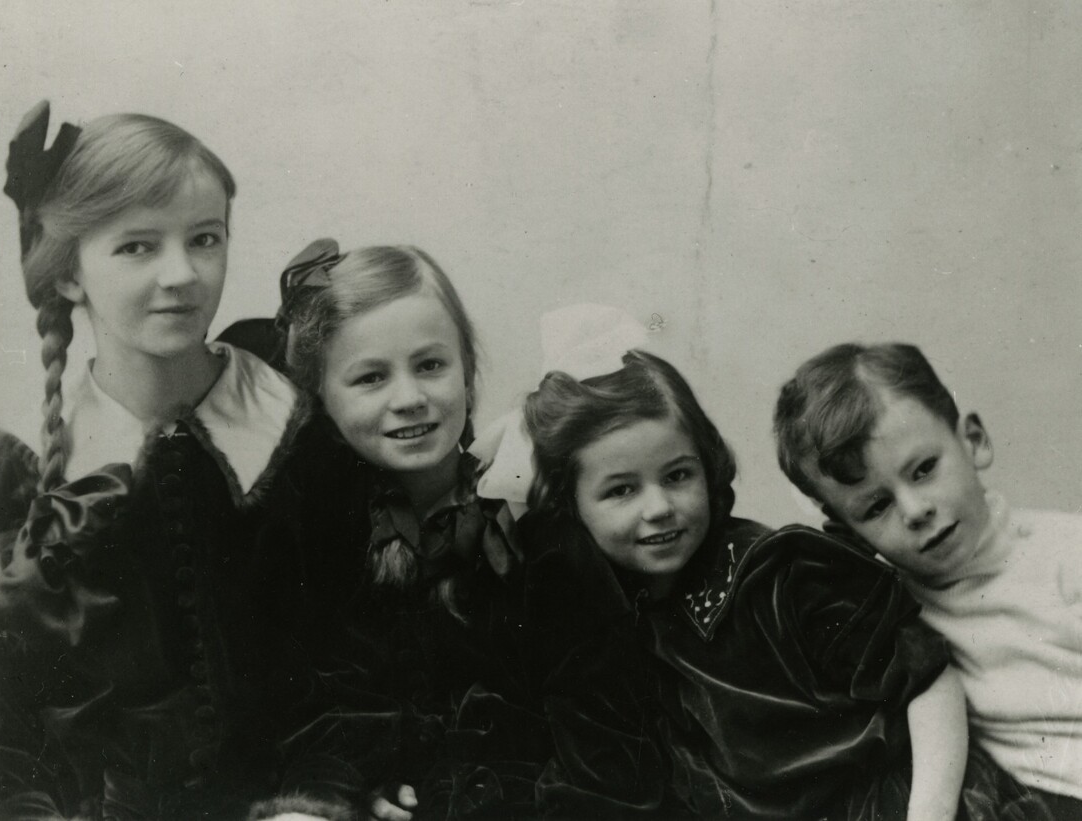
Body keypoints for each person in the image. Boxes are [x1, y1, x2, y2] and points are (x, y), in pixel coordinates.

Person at [0, 102, 363, 820]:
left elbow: (348, 656)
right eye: (136, 247)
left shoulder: (298, 434)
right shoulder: (35, 480)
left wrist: (315, 798)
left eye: (204, 239)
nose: (182, 274)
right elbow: (11, 732)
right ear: (69, 275)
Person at [508, 305, 1006, 820]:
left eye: (678, 475)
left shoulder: (782, 574)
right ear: (572, 506)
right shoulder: (614, 628)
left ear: (708, 464)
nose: (658, 508)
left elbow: (927, 678)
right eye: (622, 490)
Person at [278, 240, 544, 821]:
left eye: (430, 365)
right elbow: (318, 697)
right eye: (371, 378)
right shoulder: (320, 535)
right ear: (320, 399)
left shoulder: (521, 516)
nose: (410, 399)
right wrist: (345, 788)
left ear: (467, 373)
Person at [774, 341, 1082, 820]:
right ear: (845, 531)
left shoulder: (1065, 556)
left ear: (973, 440)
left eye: (924, 470)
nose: (916, 511)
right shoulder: (891, 610)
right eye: (876, 508)